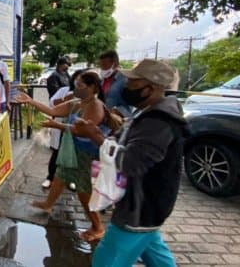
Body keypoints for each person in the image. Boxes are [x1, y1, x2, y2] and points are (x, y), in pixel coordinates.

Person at [74, 59, 188, 267]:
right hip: (149, 207)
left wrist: (96, 137)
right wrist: (104, 134)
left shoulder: (158, 122)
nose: (126, 87)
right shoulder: (150, 113)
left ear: (150, 88)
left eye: (133, 83)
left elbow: (129, 163)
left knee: (105, 261)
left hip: (140, 208)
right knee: (156, 254)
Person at [17, 71, 108, 242]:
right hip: (74, 150)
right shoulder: (76, 103)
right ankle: (48, 204)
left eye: (80, 86)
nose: (76, 88)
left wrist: (55, 125)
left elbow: (82, 130)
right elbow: (52, 110)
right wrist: (30, 101)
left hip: (89, 154)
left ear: (93, 88)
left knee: (83, 192)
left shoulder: (96, 106)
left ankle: (97, 227)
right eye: (76, 85)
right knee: (60, 176)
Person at [41, 69, 86, 189]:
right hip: (61, 126)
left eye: (82, 81)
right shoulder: (64, 91)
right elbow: (52, 104)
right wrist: (66, 100)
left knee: (73, 155)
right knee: (56, 153)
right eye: (78, 79)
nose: (79, 83)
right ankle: (50, 177)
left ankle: (70, 179)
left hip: (76, 131)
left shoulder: (90, 99)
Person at [97, 50, 130, 116]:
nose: (102, 68)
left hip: (117, 122)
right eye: (100, 65)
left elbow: (130, 105)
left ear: (115, 64)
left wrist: (116, 112)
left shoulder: (125, 80)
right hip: (103, 118)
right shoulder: (103, 80)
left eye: (104, 65)